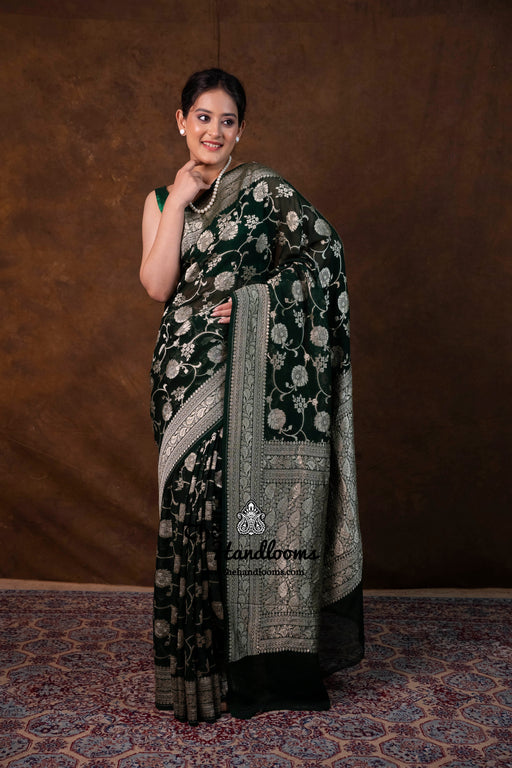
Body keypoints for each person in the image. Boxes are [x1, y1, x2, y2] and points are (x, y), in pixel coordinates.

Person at [140, 68, 364, 725]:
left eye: (227, 120)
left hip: (246, 370)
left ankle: (246, 667)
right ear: (181, 121)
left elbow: (323, 254)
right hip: (180, 374)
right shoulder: (160, 199)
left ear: (241, 130)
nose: (214, 130)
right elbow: (157, 286)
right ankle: (196, 671)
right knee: (187, 510)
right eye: (202, 117)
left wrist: (253, 301)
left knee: (234, 510)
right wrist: (180, 200)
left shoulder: (264, 191)